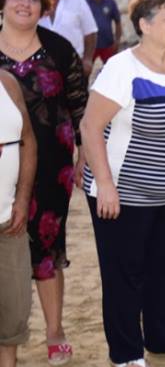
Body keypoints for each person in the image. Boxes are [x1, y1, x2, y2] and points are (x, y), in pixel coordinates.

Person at [80, 0, 165, 366]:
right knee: (125, 275)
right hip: (123, 192)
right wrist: (104, 184)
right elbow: (89, 127)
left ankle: (164, 338)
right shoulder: (122, 68)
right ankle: (127, 353)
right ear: (144, 25)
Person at [0, 0, 88, 366]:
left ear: (44, 8)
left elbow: (80, 104)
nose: (24, 3)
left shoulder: (59, 48)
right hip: (3, 164)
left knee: (46, 247)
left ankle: (55, 332)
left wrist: (87, 153)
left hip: (53, 162)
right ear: (2, 4)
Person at [0, 68, 37, 367]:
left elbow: (27, 140)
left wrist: (23, 198)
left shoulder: (8, 82)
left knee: (14, 313)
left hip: (8, 221)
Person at [38, 0, 98, 76]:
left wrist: (88, 60)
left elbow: (91, 32)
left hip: (73, 65)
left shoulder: (77, 1)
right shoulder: (33, 4)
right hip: (41, 67)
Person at [84, 0, 123, 66]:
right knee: (85, 73)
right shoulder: (83, 2)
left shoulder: (110, 2)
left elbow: (118, 22)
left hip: (108, 44)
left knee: (111, 70)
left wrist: (117, 41)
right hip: (89, 46)